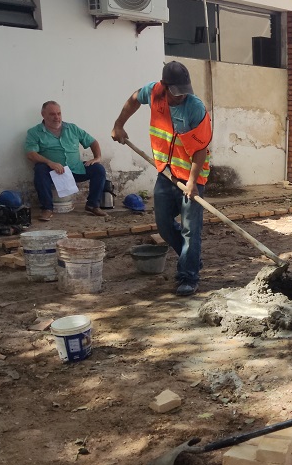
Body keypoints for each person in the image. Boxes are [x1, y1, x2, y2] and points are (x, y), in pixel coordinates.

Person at [111, 61, 212, 297]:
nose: (180, 97)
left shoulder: (195, 108)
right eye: (175, 93)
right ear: (164, 86)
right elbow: (134, 98)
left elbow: (200, 150)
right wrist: (119, 125)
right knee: (164, 226)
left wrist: (192, 183)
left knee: (190, 230)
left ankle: (188, 276)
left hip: (191, 176)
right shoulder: (154, 92)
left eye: (183, 92)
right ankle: (192, 259)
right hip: (165, 172)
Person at [25, 101, 108, 221]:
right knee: (40, 169)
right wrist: (50, 163)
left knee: (98, 169)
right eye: (52, 114)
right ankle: (47, 209)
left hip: (76, 169)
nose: (57, 117)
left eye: (59, 113)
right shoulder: (34, 132)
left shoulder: (72, 128)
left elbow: (92, 142)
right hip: (52, 172)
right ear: (43, 114)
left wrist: (97, 158)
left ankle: (92, 205)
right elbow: (30, 154)